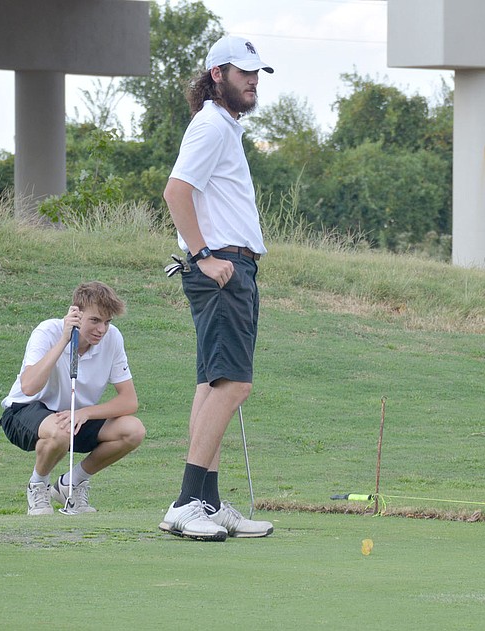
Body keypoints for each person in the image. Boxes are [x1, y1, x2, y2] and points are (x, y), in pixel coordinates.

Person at [159, 34, 275, 541]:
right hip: (222, 268)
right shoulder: (210, 125)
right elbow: (176, 192)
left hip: (232, 266)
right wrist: (204, 256)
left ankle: (206, 500)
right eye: (242, 71)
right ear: (216, 75)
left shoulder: (225, 127)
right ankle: (187, 503)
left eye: (256, 73)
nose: (251, 80)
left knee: (212, 385)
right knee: (234, 385)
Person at [0, 281, 145, 515]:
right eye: (95, 320)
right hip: (23, 412)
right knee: (60, 430)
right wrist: (64, 340)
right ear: (75, 313)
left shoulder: (113, 338)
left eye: (107, 322)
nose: (102, 330)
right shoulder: (48, 332)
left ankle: (70, 484)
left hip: (74, 416)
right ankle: (38, 485)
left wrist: (85, 413)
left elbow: (129, 401)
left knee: (133, 430)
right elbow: (29, 386)